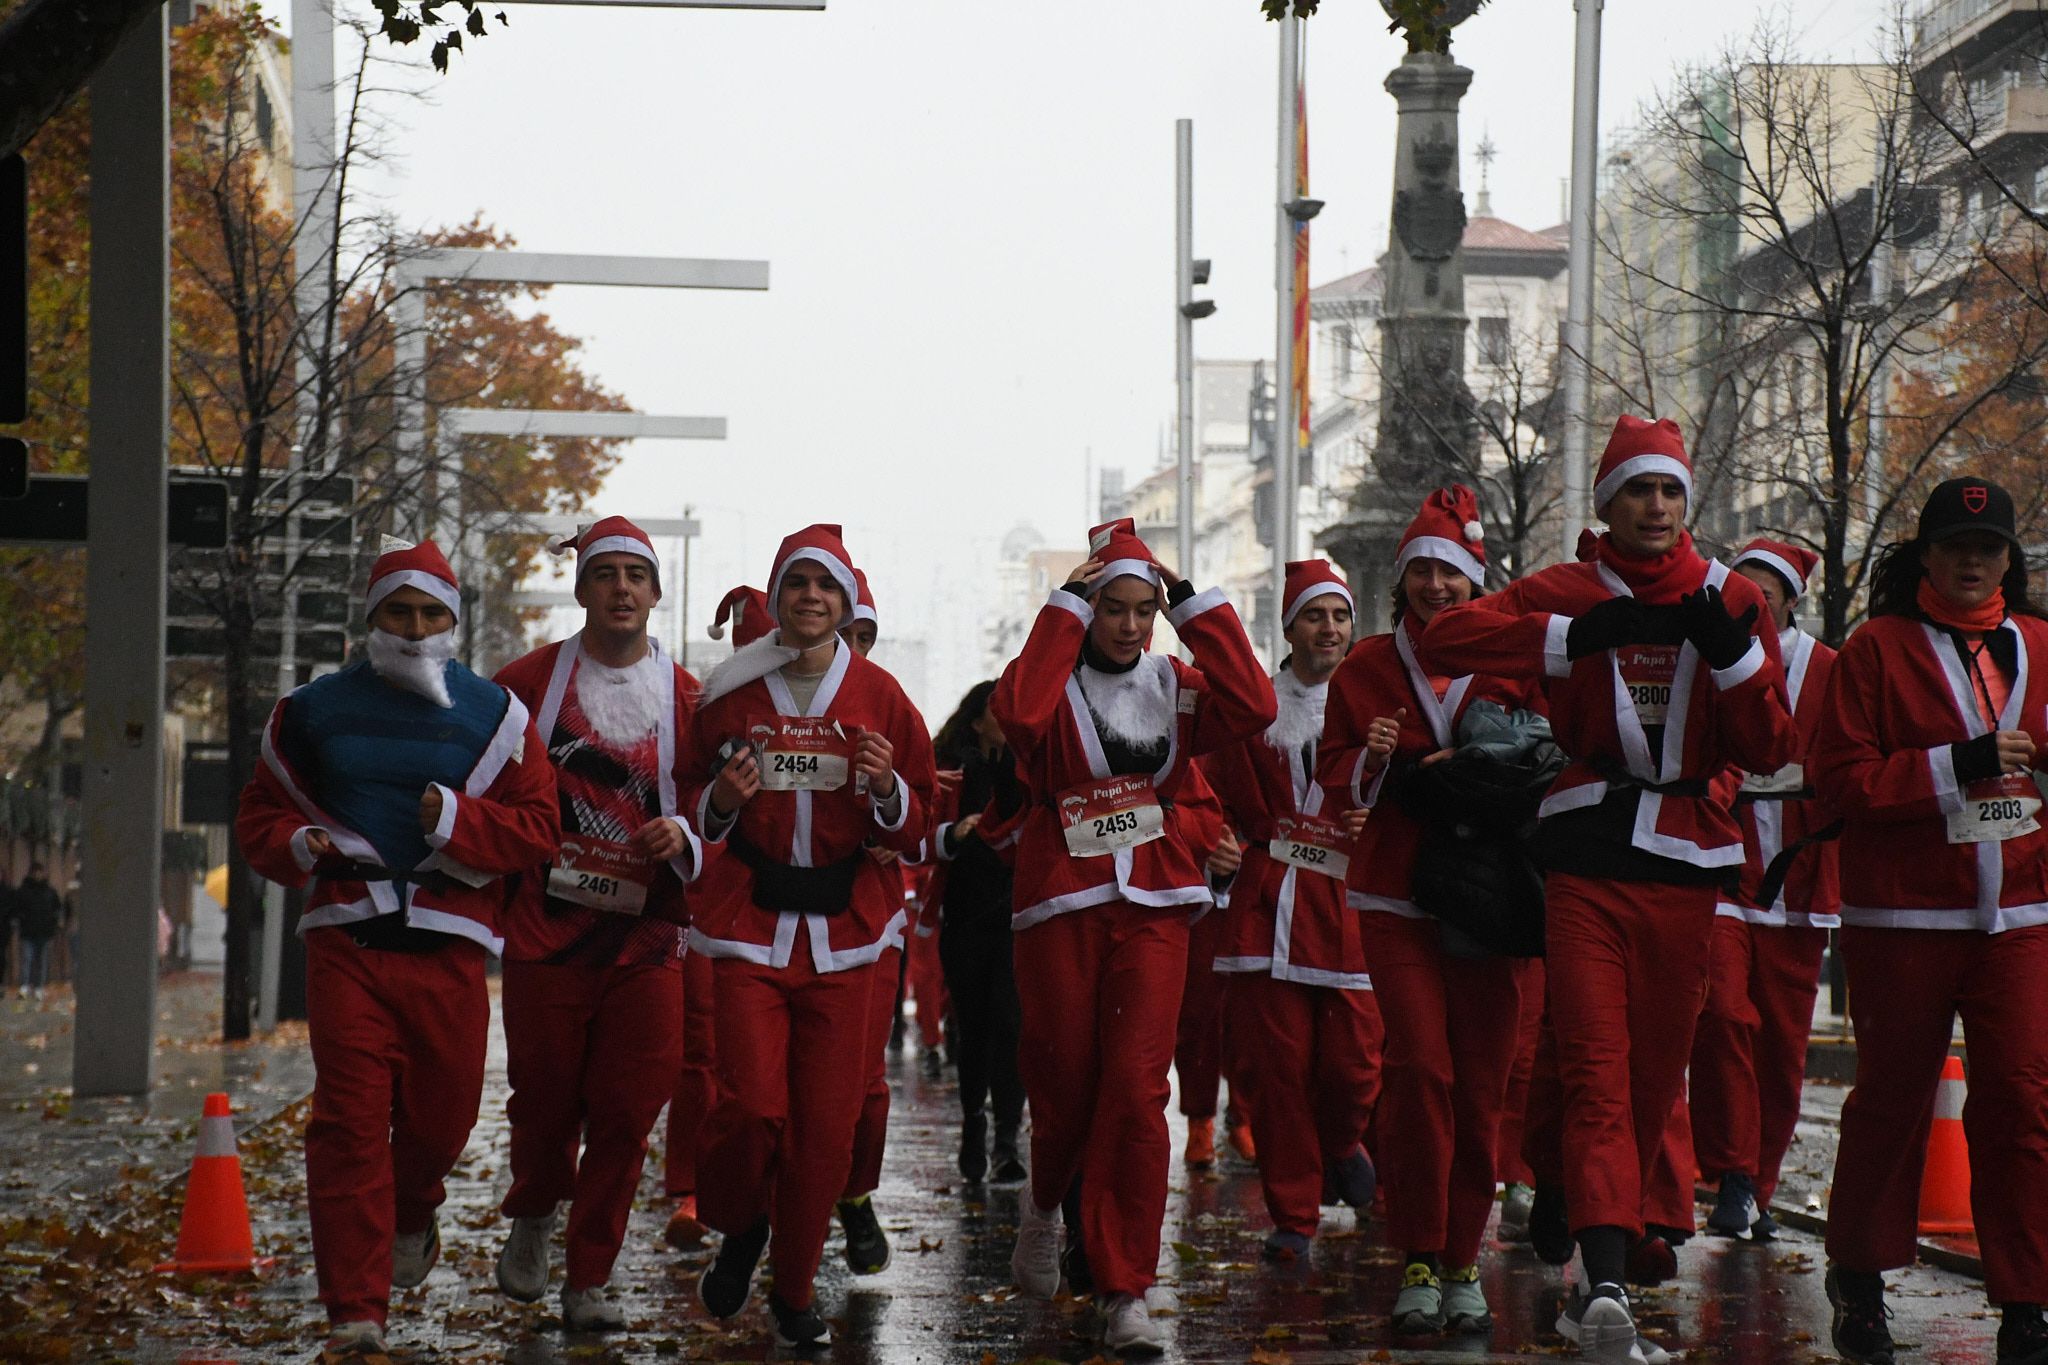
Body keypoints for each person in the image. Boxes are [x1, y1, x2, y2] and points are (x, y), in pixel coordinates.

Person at [1419, 418, 1795, 1362]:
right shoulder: (1567, 587)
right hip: (1586, 854)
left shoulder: (1734, 596)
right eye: (1638, 491)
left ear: (1689, 502)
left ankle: (1585, 1233)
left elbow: (1772, 746)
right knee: (1594, 1066)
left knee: (1646, 1081)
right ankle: (1608, 1283)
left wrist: (1735, 656)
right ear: (1607, 501)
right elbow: (1445, 638)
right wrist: (1569, 638)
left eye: (1671, 492)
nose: (1657, 508)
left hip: (1686, 868)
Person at [234, 539, 558, 1365]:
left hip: (449, 950)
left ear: (455, 621)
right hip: (349, 940)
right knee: (346, 1123)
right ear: (371, 617)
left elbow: (537, 829)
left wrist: (456, 819)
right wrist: (302, 841)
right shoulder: (308, 711)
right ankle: (354, 1316)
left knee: (441, 1121)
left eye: (431, 614)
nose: (415, 629)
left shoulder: (497, 717)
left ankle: (414, 1206)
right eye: (399, 612)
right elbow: (260, 817)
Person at [993, 518, 1274, 1356]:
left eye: (1140, 609)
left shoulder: (1177, 683)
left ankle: (1127, 1286)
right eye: (1111, 608)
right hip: (1062, 905)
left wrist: (1192, 602)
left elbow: (1255, 704)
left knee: (1136, 1088)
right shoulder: (1047, 679)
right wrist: (1063, 607)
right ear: (1088, 611)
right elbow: (1017, 715)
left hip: (1154, 902)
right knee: (1067, 1083)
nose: (1126, 625)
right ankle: (1045, 1204)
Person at [1811, 477, 2048, 1365]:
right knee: (1895, 1099)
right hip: (1905, 914)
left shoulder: (2038, 645)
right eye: (1954, 546)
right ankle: (1861, 1277)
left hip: (2019, 909)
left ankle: (2027, 1297)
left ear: (2009, 560)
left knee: (2021, 1098)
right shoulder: (1874, 650)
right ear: (1925, 554)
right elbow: (1842, 783)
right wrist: (1960, 762)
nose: (1972, 561)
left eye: (1988, 549)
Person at [682, 524, 936, 1351]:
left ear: (847, 602)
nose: (812, 599)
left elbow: (919, 826)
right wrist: (721, 800)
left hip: (849, 932)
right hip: (752, 927)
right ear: (778, 598)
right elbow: (691, 808)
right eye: (797, 585)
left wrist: (889, 787)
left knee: (825, 1130)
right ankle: (741, 1222)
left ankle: (793, 1291)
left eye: (826, 587)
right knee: (751, 1108)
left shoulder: (884, 697)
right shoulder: (728, 696)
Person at [1321, 490, 1537, 1333]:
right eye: (1422, 570)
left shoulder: (1511, 654)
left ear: (1475, 581)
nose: (1435, 585)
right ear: (1401, 577)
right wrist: (1373, 767)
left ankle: (1461, 1259)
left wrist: (1477, 766)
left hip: (1490, 893)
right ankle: (1416, 1251)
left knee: (1482, 1084)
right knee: (1422, 1070)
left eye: (1451, 571)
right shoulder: (1368, 665)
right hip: (1396, 886)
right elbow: (1333, 771)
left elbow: (1544, 751)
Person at [489, 517, 706, 1330]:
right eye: (605, 573)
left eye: (635, 575)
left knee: (628, 1107)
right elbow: (484, 791)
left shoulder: (691, 697)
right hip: (549, 934)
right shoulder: (523, 684)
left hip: (649, 937)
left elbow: (719, 816)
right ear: (581, 588)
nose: (621, 588)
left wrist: (684, 833)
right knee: (545, 1101)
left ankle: (591, 1276)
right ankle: (537, 1206)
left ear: (655, 592)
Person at [1204, 557, 1380, 1263]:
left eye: (1339, 616)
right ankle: (1294, 1213)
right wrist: (1209, 841)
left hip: (1348, 907)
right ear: (1289, 627)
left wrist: (1383, 821)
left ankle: (1341, 1143)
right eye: (1315, 615)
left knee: (1354, 1066)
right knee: (1276, 1073)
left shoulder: (1376, 705)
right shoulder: (1253, 710)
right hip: (1267, 905)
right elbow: (1203, 786)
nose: (1329, 628)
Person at [1689, 538, 1840, 1241]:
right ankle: (1732, 1172)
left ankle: (1761, 1187)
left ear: (1787, 601)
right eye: (1737, 591)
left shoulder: (1831, 672)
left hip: (1802, 881)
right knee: (1722, 1015)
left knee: (1781, 1044)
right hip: (1722, 868)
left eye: (1762, 592)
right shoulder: (1711, 660)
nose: (1748, 604)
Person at [664, 584, 771, 1249]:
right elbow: (677, 784)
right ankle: (693, 1192)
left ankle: (781, 1197)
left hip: (809, 920)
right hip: (716, 911)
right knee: (702, 1053)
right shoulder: (706, 713)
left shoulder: (849, 701)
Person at [928, 680, 1029, 1183]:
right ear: (976, 721)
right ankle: (973, 1120)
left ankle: (1008, 1137)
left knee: (1012, 1024)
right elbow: (917, 839)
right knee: (974, 1027)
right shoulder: (949, 773)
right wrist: (957, 831)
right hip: (965, 911)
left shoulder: (1033, 768)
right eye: (999, 709)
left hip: (1019, 914)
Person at [834, 565, 902, 1279]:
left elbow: (924, 812)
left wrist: (895, 808)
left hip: (869, 917)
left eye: (863, 636)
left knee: (864, 1078)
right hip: (770, 918)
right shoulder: (763, 696)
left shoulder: (886, 703)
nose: (849, 647)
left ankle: (855, 1194)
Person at [13, 863, 61, 1000]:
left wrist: (53, 923)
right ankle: (25, 986)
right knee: (27, 959)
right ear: (31, 873)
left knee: (42, 960)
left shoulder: (50, 891)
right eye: (36, 872)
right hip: (28, 931)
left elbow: (56, 909)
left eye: (40, 872)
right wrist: (21, 919)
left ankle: (39, 987)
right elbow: (17, 909)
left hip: (44, 932)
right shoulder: (23, 891)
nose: (38, 875)